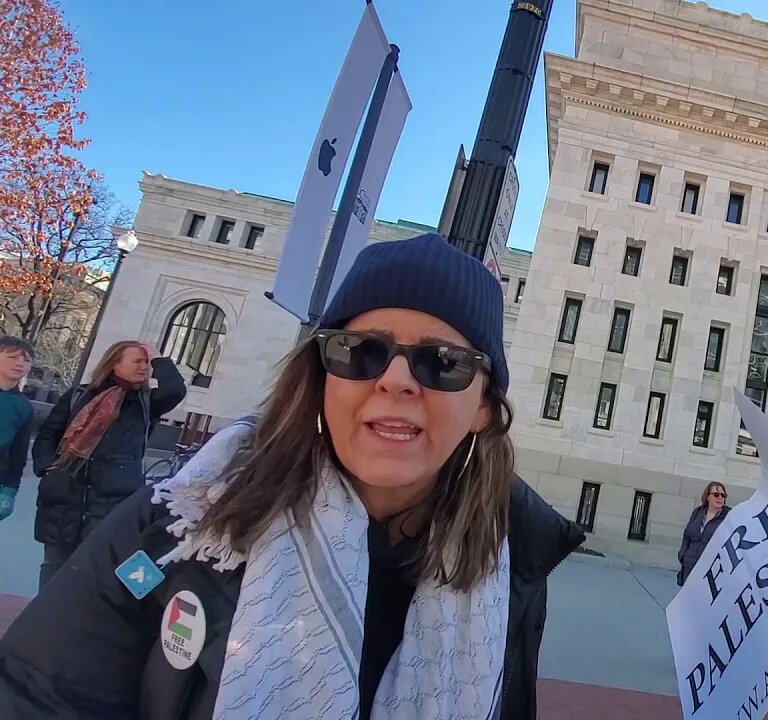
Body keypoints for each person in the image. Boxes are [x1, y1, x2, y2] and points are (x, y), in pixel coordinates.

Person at [0, 233, 586, 720]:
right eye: (360, 351)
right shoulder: (179, 521)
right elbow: (39, 695)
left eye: (444, 363)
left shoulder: (513, 560)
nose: (397, 381)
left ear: (485, 407)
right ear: (321, 376)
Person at [30, 340, 186, 585]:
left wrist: (158, 358)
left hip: (112, 498)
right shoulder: (80, 396)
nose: (144, 367)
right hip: (65, 495)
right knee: (54, 567)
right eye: (137, 361)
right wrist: (47, 466)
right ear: (114, 364)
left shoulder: (145, 403)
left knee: (96, 570)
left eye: (146, 363)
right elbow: (50, 433)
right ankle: (44, 621)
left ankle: (80, 622)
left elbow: (175, 390)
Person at [0, 336, 35, 524]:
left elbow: (18, 453)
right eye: (13, 357)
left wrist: (9, 490)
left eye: (26, 359)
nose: (20, 363)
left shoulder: (24, 407)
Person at [677, 481, 731, 586]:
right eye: (716, 494)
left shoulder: (728, 517)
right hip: (689, 564)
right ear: (707, 497)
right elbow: (687, 535)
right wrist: (682, 554)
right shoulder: (698, 512)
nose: (720, 497)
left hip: (709, 569)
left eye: (723, 495)